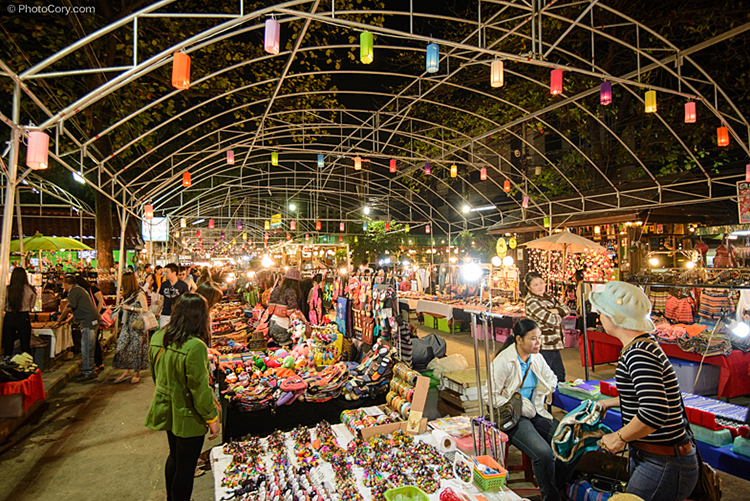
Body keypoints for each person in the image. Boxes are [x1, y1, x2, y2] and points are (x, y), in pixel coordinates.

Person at [593, 281, 699, 501]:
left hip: (662, 463)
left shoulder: (639, 353)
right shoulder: (640, 346)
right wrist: (609, 403)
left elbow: (654, 411)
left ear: (615, 316)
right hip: (655, 458)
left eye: (602, 311)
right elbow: (646, 397)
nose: (599, 316)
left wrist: (619, 437)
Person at [488, 318, 573, 501]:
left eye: (539, 338)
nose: (538, 343)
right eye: (533, 338)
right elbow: (490, 396)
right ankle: (551, 497)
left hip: (536, 411)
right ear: (519, 339)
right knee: (543, 453)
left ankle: (558, 486)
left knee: (570, 440)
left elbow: (551, 378)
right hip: (513, 416)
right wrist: (516, 404)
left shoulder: (537, 358)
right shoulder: (504, 361)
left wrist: (543, 392)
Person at [145, 294, 220, 501]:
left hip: (166, 406)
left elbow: (155, 374)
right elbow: (200, 389)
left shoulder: (159, 336)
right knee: (186, 466)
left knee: (175, 456)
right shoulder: (195, 346)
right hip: (187, 413)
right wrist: (212, 418)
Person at [523, 271, 570, 383]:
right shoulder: (531, 301)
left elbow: (567, 310)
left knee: (560, 375)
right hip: (543, 344)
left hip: (554, 344)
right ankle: (543, 399)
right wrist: (559, 313)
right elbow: (551, 320)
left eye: (541, 282)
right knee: (544, 378)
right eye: (535, 284)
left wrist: (555, 311)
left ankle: (555, 399)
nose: (540, 286)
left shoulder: (549, 296)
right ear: (529, 287)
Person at [56, 276, 100, 381]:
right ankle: (88, 369)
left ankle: (88, 371)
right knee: (88, 346)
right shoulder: (78, 290)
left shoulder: (74, 291)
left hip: (88, 321)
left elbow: (70, 307)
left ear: (65, 283)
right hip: (90, 320)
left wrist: (59, 320)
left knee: (86, 347)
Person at [113, 272, 149, 384]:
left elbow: (145, 309)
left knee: (137, 348)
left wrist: (130, 308)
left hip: (137, 325)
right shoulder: (127, 295)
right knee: (122, 347)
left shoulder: (139, 294)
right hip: (127, 324)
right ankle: (127, 370)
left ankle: (136, 372)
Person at [267, 267, 309, 346]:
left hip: (272, 325)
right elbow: (290, 312)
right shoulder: (291, 292)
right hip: (282, 327)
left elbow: (270, 307)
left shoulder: (277, 289)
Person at [3, 267, 37, 358]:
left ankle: (8, 360)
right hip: (23, 316)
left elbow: (3, 304)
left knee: (8, 342)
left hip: (9, 316)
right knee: (25, 343)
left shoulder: (7, 290)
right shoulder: (30, 290)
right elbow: (31, 306)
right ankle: (26, 363)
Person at [154, 263, 189, 329]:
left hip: (177, 314)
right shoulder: (164, 284)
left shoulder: (183, 285)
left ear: (174, 273)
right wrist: (157, 312)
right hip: (165, 314)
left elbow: (185, 301)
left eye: (167, 272)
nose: (165, 274)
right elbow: (162, 299)